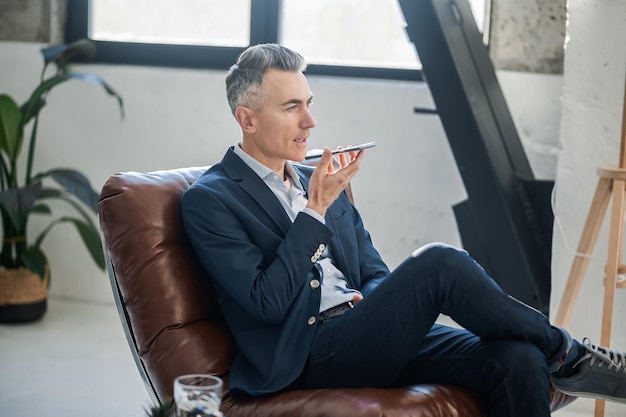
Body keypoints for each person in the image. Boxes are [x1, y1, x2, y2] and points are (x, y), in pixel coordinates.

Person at [181, 43, 626, 416]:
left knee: (519, 360)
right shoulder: (212, 199)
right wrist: (315, 210)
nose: (309, 122)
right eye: (291, 107)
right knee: (437, 264)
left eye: (309, 104)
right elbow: (267, 303)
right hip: (310, 353)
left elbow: (373, 271)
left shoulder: (311, 176)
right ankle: (569, 354)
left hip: (364, 332)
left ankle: (551, 352)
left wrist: (381, 312)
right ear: (248, 118)